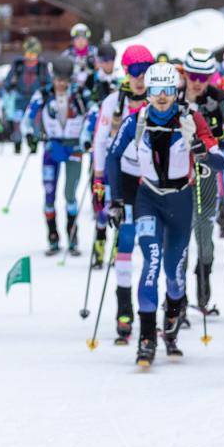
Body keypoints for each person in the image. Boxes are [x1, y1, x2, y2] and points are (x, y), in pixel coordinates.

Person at [104, 61, 219, 368]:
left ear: (176, 90)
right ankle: (146, 338)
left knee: (174, 274)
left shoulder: (190, 119)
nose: (162, 97)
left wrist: (201, 148)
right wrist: (115, 199)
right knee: (151, 263)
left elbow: (218, 159)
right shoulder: (135, 121)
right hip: (148, 199)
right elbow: (112, 156)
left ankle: (173, 317)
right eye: (156, 90)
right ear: (148, 92)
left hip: (181, 202)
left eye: (168, 90)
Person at [90, 44, 154, 344]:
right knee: (126, 242)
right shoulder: (113, 103)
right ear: (125, 72)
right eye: (133, 72)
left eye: (145, 72)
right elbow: (100, 141)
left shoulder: (162, 99)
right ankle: (124, 310)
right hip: (126, 179)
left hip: (157, 181)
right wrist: (99, 180)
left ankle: (162, 307)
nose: (140, 79)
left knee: (157, 247)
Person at [181, 47, 224, 318]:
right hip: (177, 171)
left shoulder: (219, 98)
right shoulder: (174, 94)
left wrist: (217, 133)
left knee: (204, 231)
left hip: (206, 169)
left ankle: (203, 291)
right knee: (178, 235)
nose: (196, 81)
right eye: (192, 74)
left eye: (203, 76)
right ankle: (176, 299)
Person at [24, 56, 92, 256]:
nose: (61, 84)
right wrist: (30, 135)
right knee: (49, 194)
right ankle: (53, 237)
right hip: (52, 147)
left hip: (74, 148)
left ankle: (72, 237)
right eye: (58, 79)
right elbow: (27, 118)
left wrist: (87, 137)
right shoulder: (43, 94)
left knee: (70, 194)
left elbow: (95, 115)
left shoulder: (81, 94)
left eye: (65, 80)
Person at [4, 38, 47, 152]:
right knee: (17, 122)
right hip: (20, 98)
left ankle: (34, 143)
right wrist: (9, 85)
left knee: (35, 122)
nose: (30, 57)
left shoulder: (42, 66)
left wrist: (45, 91)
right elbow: (8, 80)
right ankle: (17, 143)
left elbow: (48, 81)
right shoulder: (18, 65)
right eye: (28, 53)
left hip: (35, 99)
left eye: (33, 54)